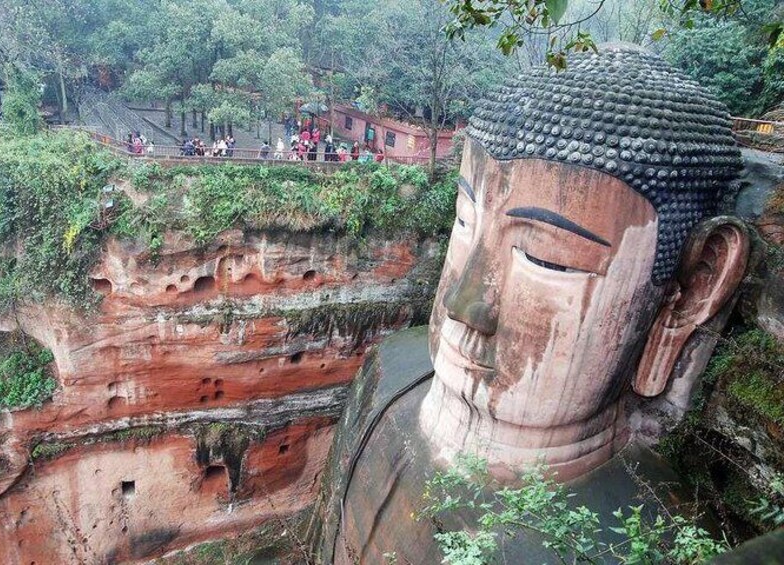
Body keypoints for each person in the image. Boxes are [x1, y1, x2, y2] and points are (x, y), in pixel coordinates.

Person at [319, 46, 749, 564]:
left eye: (546, 258)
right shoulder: (390, 371)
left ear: (692, 291)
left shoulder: (649, 543)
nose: (463, 304)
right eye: (463, 222)